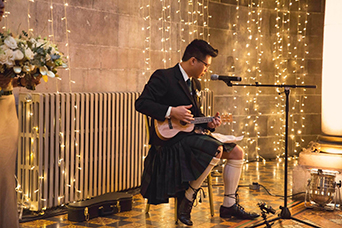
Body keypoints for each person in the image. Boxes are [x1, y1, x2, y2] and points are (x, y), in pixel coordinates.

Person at [135, 39, 259, 226]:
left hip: (190, 138)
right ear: (193, 61)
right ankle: (188, 197)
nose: (207, 70)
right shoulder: (164, 77)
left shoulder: (196, 85)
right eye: (206, 65)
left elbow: (196, 118)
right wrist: (171, 111)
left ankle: (229, 204)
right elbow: (141, 103)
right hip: (170, 144)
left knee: (237, 152)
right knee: (215, 149)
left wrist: (210, 123)